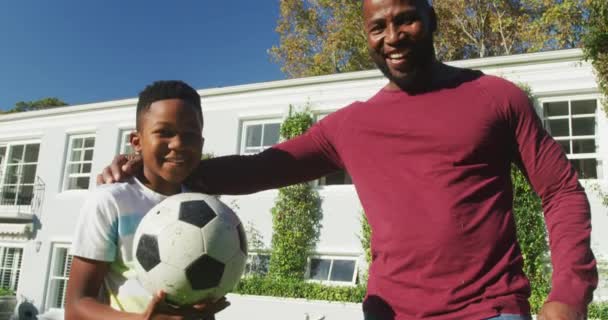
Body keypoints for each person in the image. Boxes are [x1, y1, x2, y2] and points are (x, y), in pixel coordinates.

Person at [99, 1, 598, 319]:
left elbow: (560, 191)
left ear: (431, 20)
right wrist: (152, 167)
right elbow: (263, 167)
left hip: (489, 309)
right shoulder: (351, 125)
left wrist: (569, 294)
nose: (393, 36)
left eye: (405, 19)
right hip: (388, 311)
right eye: (377, 26)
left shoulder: (496, 98)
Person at [66, 80, 228, 320]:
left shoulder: (206, 207)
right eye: (164, 132)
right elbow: (76, 307)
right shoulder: (110, 201)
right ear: (137, 142)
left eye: (190, 135)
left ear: (201, 143)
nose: (178, 144)